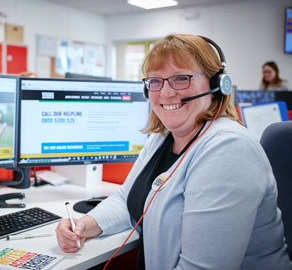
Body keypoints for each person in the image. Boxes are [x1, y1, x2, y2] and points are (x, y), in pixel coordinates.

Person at [55, 34, 292, 269]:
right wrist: (86, 223)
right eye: (155, 81)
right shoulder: (163, 138)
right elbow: (125, 198)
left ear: (216, 84)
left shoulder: (229, 150)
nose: (166, 93)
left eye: (181, 79)